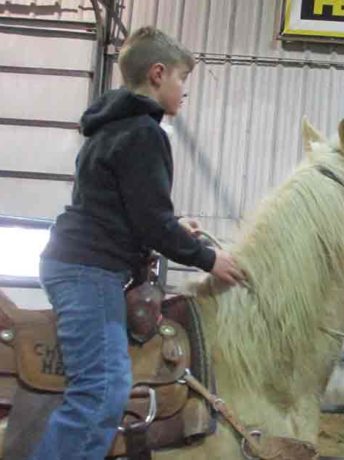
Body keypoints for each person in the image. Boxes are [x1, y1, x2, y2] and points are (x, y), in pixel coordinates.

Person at [32, 26, 246, 460]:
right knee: (102, 389)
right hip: (89, 271)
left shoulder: (109, 129)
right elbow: (149, 224)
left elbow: (122, 209)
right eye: (182, 79)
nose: (184, 91)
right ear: (158, 74)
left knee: (102, 386)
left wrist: (172, 223)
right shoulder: (145, 133)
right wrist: (209, 259)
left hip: (80, 262)